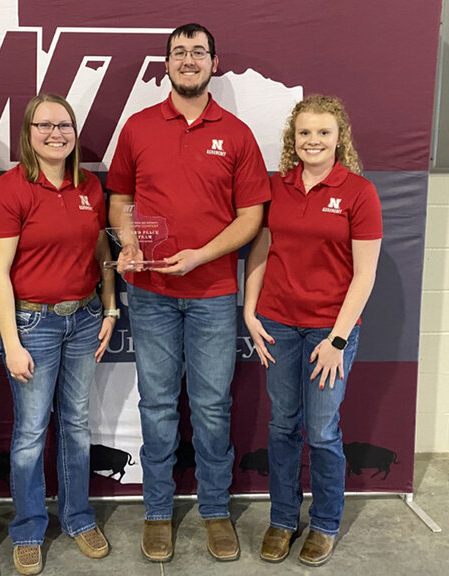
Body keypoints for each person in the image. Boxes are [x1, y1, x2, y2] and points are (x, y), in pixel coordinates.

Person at [106, 23, 270, 563]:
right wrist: (129, 244)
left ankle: (215, 510)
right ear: (167, 65)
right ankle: (157, 511)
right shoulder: (138, 127)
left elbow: (251, 218)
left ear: (213, 63)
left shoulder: (238, 135)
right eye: (179, 52)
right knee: (156, 404)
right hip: (150, 291)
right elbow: (120, 200)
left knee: (212, 406)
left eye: (198, 52)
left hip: (214, 294)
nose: (188, 60)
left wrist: (201, 255)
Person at [243, 94, 382, 567]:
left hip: (330, 331)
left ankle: (324, 524)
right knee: (283, 426)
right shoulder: (276, 187)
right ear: (293, 138)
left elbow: (364, 275)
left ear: (339, 137)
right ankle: (283, 520)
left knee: (321, 431)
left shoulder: (360, 193)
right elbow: (260, 250)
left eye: (323, 132)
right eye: (304, 132)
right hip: (279, 325)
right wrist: (249, 309)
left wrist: (337, 339)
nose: (313, 140)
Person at [0, 93, 117, 575]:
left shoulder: (89, 187)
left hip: (82, 319)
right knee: (30, 433)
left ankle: (79, 518)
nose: (55, 133)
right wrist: (11, 343)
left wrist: (109, 305)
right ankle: (29, 528)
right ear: (28, 133)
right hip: (32, 324)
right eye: (44, 126)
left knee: (77, 426)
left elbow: (101, 246)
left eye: (64, 125)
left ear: (74, 133)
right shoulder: (11, 190)